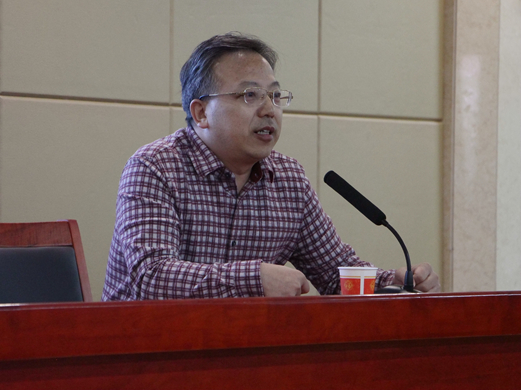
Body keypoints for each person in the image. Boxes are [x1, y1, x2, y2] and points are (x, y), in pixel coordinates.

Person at [102, 32, 440, 300]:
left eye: (276, 97)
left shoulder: (288, 179)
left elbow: (335, 273)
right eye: (250, 95)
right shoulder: (155, 167)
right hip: (146, 352)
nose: (269, 110)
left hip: (244, 354)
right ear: (201, 113)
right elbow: (152, 277)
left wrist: (394, 282)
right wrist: (255, 278)